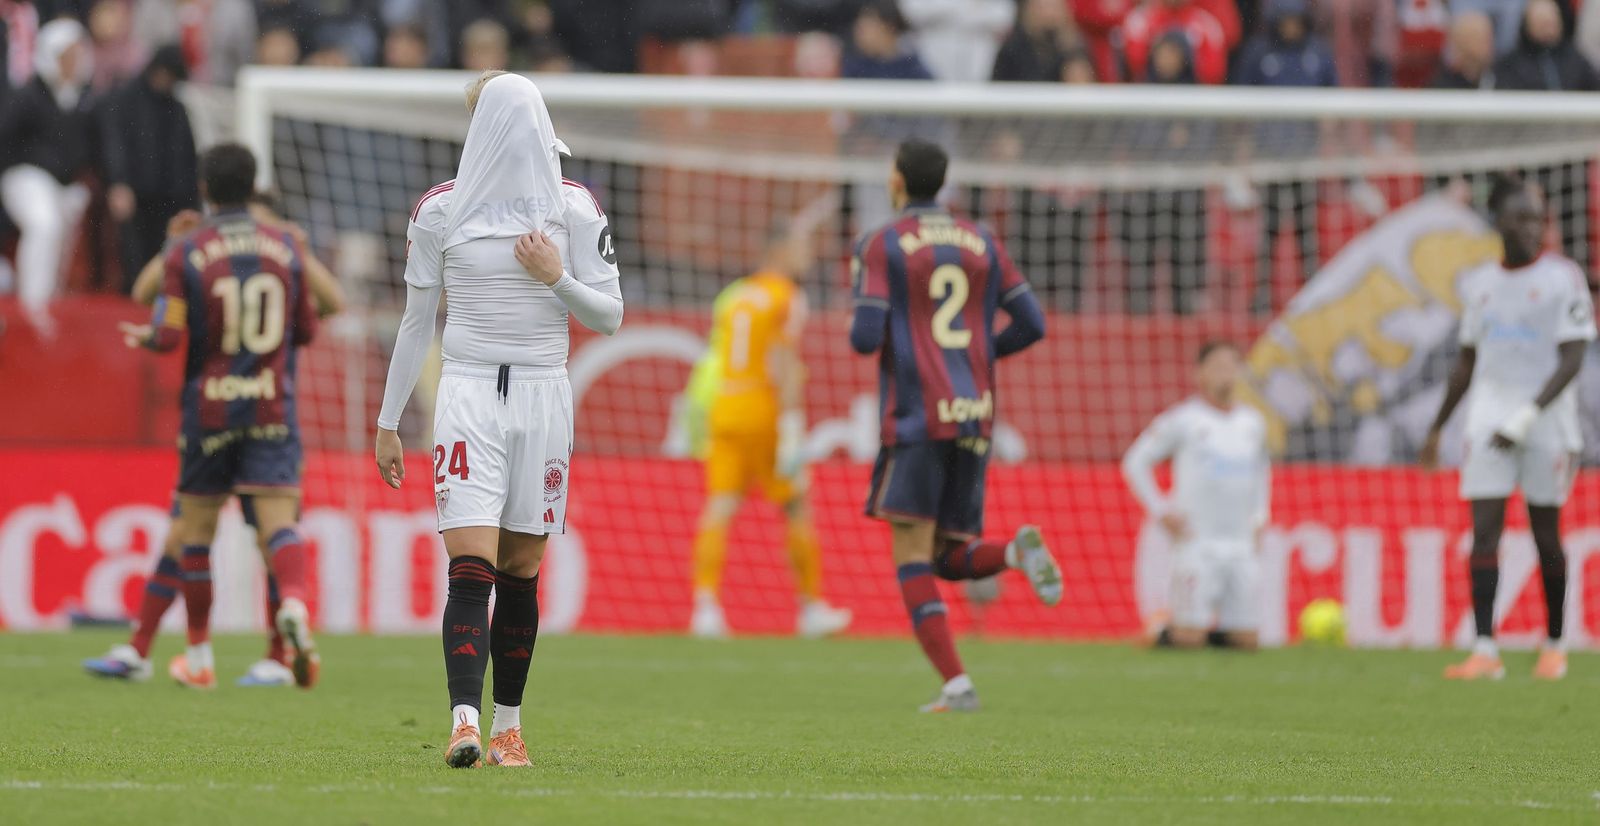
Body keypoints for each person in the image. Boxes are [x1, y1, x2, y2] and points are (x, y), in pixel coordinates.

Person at [374, 71, 623, 768]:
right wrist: (389, 419)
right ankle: (464, 721)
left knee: (521, 568)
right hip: (469, 393)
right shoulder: (440, 212)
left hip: (544, 395)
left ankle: (508, 724)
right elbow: (415, 321)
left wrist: (556, 277)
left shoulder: (573, 209)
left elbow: (609, 316)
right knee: (470, 564)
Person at [84, 195, 342, 687]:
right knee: (224, 533)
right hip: (269, 415)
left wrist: (179, 248)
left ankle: (247, 655)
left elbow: (154, 309)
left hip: (213, 413)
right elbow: (322, 315)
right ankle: (156, 649)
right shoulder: (256, 252)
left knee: (205, 532)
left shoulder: (265, 252)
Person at [849, 139, 1061, 713]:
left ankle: (957, 685)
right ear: (941, 184)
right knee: (947, 556)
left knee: (912, 555)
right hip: (975, 415)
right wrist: (975, 354)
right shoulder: (984, 240)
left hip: (917, 416)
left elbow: (865, 337)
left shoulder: (881, 243)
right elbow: (1033, 323)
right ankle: (1015, 552)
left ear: (897, 180)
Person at [1422, 176, 1592, 682]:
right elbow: (1465, 363)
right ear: (1498, 223)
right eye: (1521, 219)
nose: (1531, 229)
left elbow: (1573, 358)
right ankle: (1484, 649)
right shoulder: (1481, 285)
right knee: (1485, 533)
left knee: (1546, 534)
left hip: (1546, 424)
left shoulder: (1564, 278)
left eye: (1538, 219)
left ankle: (1556, 644)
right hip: (1488, 420)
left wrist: (1526, 416)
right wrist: (1437, 427)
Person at [685, 228, 853, 640]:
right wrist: (793, 424)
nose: (807, 256)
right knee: (796, 505)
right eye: (800, 247)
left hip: (725, 407)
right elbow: (783, 359)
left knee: (720, 507)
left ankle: (705, 610)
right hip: (764, 410)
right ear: (778, 250)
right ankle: (811, 608)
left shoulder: (736, 296)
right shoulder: (787, 296)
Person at [1122, 342, 1270, 651]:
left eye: (1231, 366)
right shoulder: (1184, 419)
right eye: (1217, 367)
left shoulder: (1252, 423)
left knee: (1247, 642)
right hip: (1197, 542)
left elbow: (1261, 473)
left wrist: (1259, 518)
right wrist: (1160, 509)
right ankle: (1160, 632)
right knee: (1190, 639)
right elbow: (1135, 462)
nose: (1226, 375)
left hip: (1241, 542)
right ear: (1200, 374)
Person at [0, 18, 96, 337]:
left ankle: (51, 304)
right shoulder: (29, 95)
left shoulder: (82, 98)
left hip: (64, 185)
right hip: (23, 177)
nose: (74, 63)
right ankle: (31, 306)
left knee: (64, 236)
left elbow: (86, 147)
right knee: (45, 223)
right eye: (67, 55)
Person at [99, 45, 198, 293]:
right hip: (136, 195)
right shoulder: (124, 99)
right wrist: (119, 182)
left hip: (168, 197)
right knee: (134, 262)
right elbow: (115, 144)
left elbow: (187, 156)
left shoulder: (176, 107)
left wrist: (190, 199)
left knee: (165, 258)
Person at [131, 0, 258, 86]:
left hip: (221, 96)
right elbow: (141, 57)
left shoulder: (235, 8)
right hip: (165, 97)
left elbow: (246, 61)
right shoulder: (152, 6)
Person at [1492, 0, 1600, 91]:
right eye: (1543, 23)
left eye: (1551, 22)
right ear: (1528, 24)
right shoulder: (1510, 65)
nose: (1548, 29)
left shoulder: (1576, 60)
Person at [898, 0, 1015, 83]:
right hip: (933, 51)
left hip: (980, 56)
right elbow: (912, 10)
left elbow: (1003, 17)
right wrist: (966, 7)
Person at [990, 0, 1079, 82]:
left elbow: (1080, 87)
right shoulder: (1013, 48)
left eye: (1053, 7)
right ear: (1029, 10)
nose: (1048, 14)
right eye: (1042, 7)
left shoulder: (1072, 46)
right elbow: (998, 87)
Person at [1430, 11, 1497, 89]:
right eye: (1477, 38)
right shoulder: (1441, 89)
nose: (1488, 43)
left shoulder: (1504, 80)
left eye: (1488, 37)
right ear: (1460, 43)